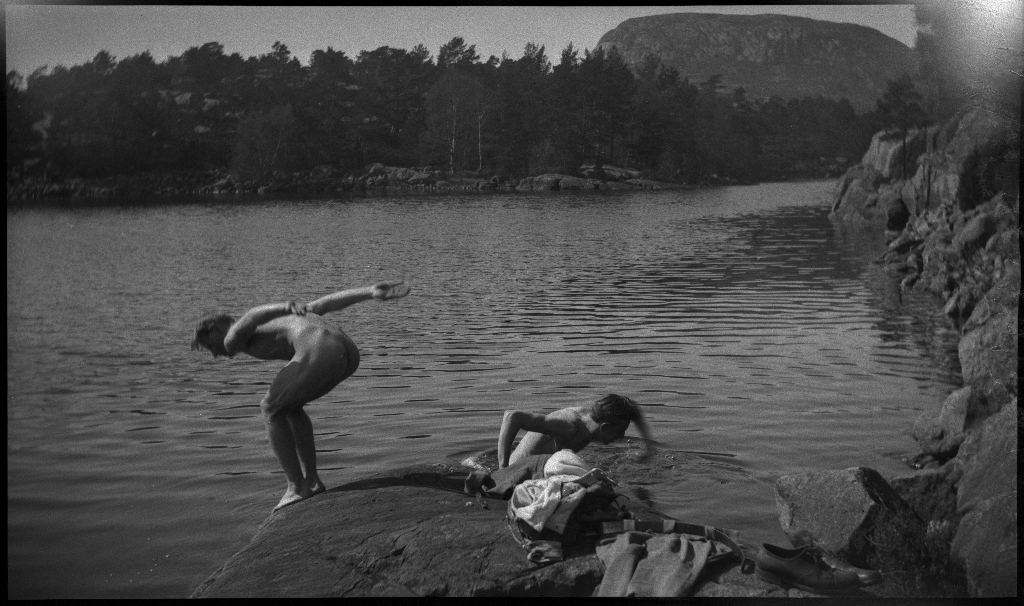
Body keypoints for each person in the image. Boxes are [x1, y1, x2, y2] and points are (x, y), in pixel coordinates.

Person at [190, 281, 411, 511]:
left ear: (215, 329)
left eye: (208, 346)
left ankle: (295, 487)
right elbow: (325, 303)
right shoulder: (283, 320)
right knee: (291, 408)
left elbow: (252, 315)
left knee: (269, 408)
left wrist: (284, 306)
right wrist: (369, 292)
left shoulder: (232, 336)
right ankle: (312, 481)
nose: (215, 354)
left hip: (321, 349)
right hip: (347, 352)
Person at [497, 394, 653, 468]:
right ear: (604, 427)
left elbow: (633, 410)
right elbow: (512, 417)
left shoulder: (594, 421)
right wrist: (503, 468)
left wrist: (648, 447)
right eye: (620, 431)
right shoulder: (569, 425)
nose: (621, 436)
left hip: (544, 466)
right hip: (520, 470)